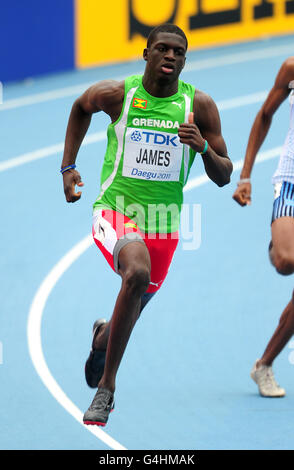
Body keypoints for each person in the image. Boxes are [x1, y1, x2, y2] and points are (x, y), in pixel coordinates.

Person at [61, 23, 232, 427]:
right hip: (114, 210)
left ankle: (102, 337)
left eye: (179, 52)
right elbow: (80, 107)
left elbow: (225, 174)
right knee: (135, 272)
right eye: (163, 49)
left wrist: (203, 148)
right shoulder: (119, 95)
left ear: (185, 60)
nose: (171, 56)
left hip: (165, 225)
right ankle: (107, 390)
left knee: (129, 309)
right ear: (147, 54)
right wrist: (68, 167)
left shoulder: (199, 107)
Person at [233, 57, 294, 398]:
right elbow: (265, 115)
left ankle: (264, 366)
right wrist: (246, 175)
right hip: (291, 179)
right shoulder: (291, 69)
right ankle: (279, 244)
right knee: (285, 262)